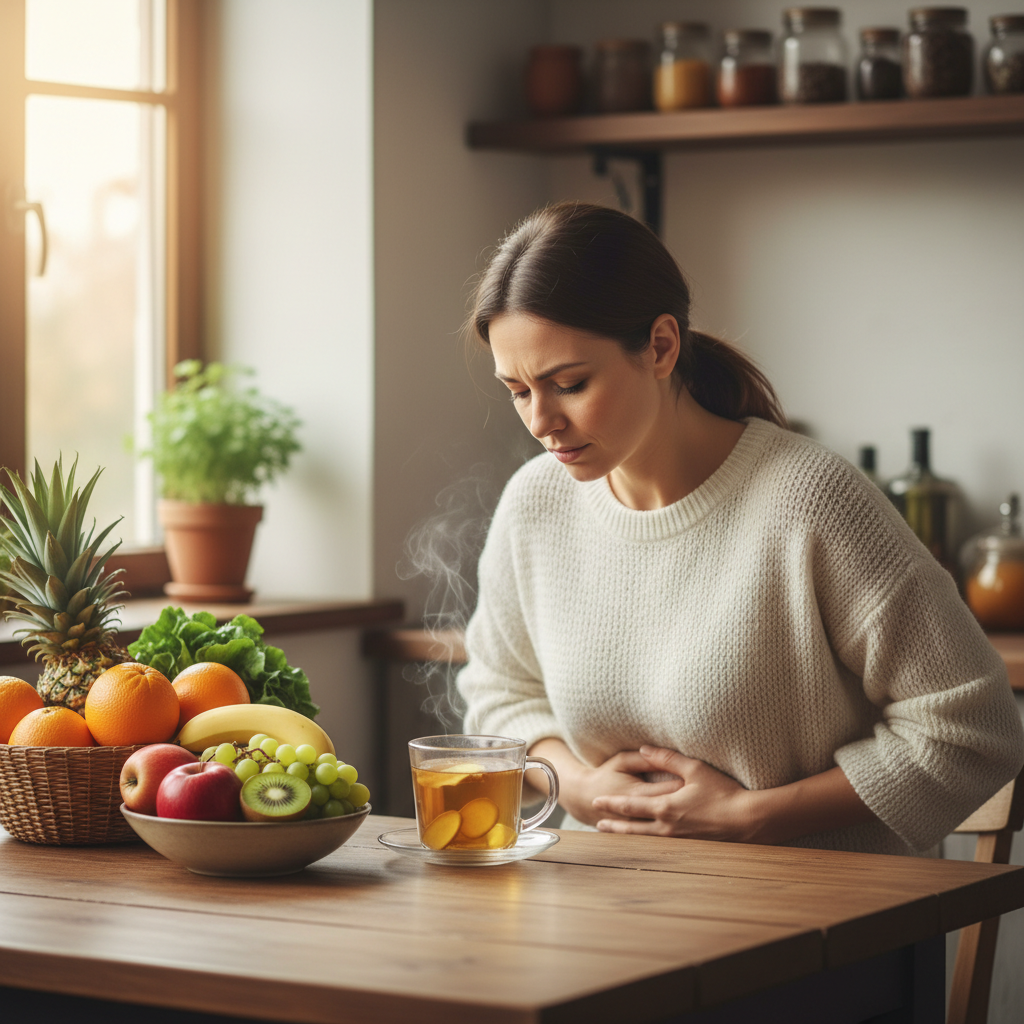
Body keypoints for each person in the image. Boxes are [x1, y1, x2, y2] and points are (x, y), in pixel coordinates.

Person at [455, 201, 1024, 856]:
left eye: (570, 383)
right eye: (518, 391)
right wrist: (578, 787)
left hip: (823, 924)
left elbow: (973, 732)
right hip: (609, 911)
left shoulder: (810, 501)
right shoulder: (535, 505)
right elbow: (498, 698)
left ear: (661, 346)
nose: (541, 422)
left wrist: (750, 816)